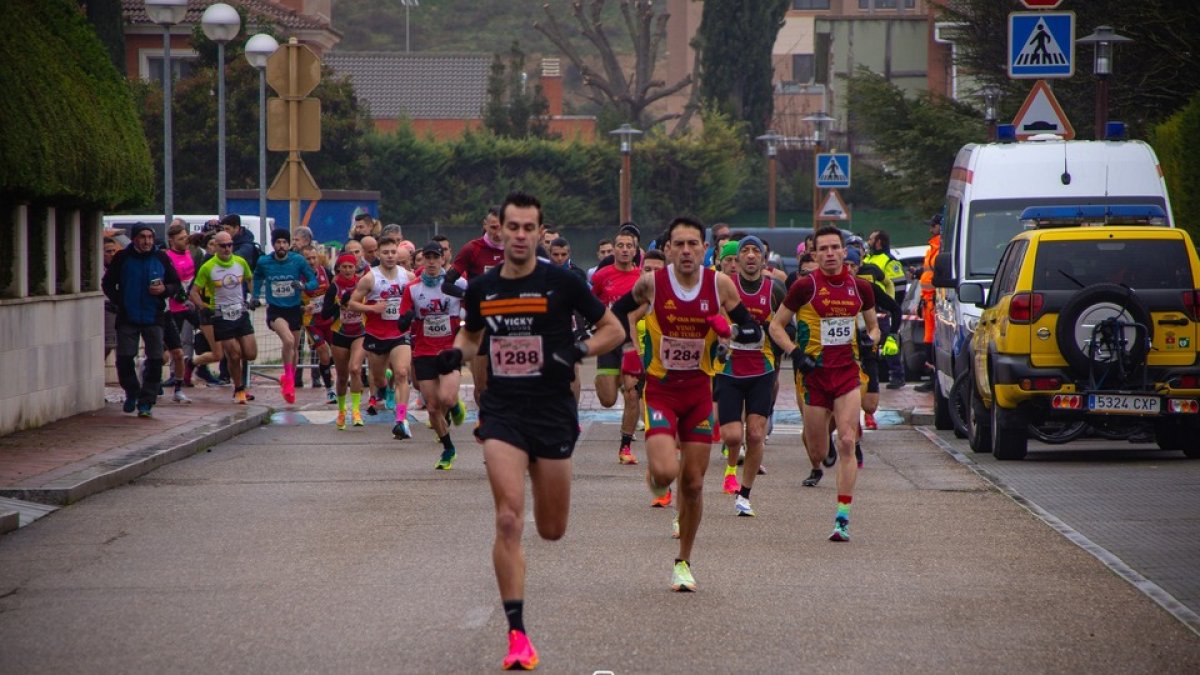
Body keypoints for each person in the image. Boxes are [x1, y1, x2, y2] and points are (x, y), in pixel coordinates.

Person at [436, 192, 623, 670]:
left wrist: (576, 352)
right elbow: (472, 333)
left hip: (553, 412)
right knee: (507, 519)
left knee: (552, 529)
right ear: (498, 231)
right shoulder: (482, 287)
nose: (518, 236)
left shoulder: (561, 282)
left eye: (527, 228)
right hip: (504, 411)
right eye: (510, 227)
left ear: (541, 233)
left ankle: (544, 501)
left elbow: (613, 330)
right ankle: (517, 633)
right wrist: (457, 355)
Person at [609, 216, 764, 591]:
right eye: (679, 244)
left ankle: (683, 562)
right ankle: (656, 477)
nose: (686, 251)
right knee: (665, 472)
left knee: (693, 485)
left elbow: (752, 328)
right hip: (662, 389)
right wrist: (629, 348)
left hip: (698, 392)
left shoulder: (720, 285)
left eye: (693, 243)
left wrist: (726, 332)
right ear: (669, 249)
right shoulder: (652, 283)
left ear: (704, 248)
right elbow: (616, 312)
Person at [768, 225, 880, 542]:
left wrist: (868, 340)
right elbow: (776, 327)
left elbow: (874, 329)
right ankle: (821, 449)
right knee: (817, 450)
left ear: (845, 252)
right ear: (814, 254)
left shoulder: (861, 288)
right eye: (824, 249)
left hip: (847, 372)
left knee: (847, 441)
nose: (830, 254)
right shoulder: (804, 287)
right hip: (814, 374)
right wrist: (795, 353)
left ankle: (842, 519)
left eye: (835, 248)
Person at [717, 236, 785, 517]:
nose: (749, 255)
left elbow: (784, 328)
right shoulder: (723, 288)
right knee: (732, 436)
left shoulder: (775, 289)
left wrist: (770, 329)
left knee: (755, 434)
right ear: (736, 260)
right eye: (744, 251)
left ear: (764, 258)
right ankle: (731, 468)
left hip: (762, 369)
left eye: (755, 251)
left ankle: (744, 495)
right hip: (730, 369)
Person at [400, 242, 468, 469]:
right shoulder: (412, 288)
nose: (430, 262)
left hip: (449, 350)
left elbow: (473, 309)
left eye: (435, 257)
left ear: (442, 260)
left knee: (447, 399)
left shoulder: (457, 283)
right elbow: (402, 319)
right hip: (424, 351)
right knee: (432, 407)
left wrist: (465, 296)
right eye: (426, 257)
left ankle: (455, 405)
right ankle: (448, 449)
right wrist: (406, 318)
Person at [102, 224, 182, 417]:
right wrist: (121, 301)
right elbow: (108, 283)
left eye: (150, 237)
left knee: (155, 359)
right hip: (128, 316)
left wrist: (164, 290)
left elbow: (175, 283)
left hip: (153, 315)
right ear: (134, 239)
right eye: (142, 237)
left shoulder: (161, 258)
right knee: (124, 358)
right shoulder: (122, 258)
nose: (147, 241)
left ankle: (147, 401)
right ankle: (132, 392)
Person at [348, 236, 414, 439]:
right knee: (377, 378)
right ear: (378, 254)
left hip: (400, 333)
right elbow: (352, 304)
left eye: (393, 252)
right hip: (376, 335)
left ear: (398, 253)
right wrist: (372, 308)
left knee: (402, 373)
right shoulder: (370, 278)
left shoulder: (408, 276)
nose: (390, 256)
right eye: (385, 253)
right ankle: (384, 388)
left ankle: (401, 420)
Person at [589, 226, 643, 464]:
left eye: (628, 246)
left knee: (633, 395)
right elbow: (591, 304)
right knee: (608, 400)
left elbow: (649, 304)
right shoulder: (602, 276)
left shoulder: (642, 278)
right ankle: (607, 381)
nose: (624, 250)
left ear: (635, 250)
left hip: (630, 343)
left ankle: (625, 448)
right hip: (608, 341)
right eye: (620, 246)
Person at [449, 206, 506, 413]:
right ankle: (487, 422)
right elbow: (448, 283)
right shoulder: (472, 249)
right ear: (485, 225)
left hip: (508, 323)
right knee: (481, 387)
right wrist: (470, 297)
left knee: (508, 384)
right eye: (493, 228)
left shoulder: (517, 248)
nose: (498, 233)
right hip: (481, 325)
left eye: (502, 228)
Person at [191, 230, 258, 404]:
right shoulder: (208, 267)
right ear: (216, 247)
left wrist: (253, 296)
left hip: (240, 312)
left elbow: (250, 279)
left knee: (250, 354)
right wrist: (203, 307)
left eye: (230, 245)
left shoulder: (240, 262)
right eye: (223, 246)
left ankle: (237, 379)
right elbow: (193, 292)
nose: (227, 249)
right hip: (221, 315)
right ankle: (239, 389)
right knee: (233, 355)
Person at [251, 229, 317, 404]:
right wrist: (255, 296)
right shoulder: (264, 261)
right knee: (288, 341)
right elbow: (257, 277)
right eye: (278, 242)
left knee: (294, 348)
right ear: (273, 244)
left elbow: (313, 281)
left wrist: (302, 286)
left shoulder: (298, 261)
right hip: (276, 310)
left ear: (289, 244)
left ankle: (289, 382)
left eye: (284, 242)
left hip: (294, 309)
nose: (281, 245)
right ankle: (288, 379)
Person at [321, 253, 368, 429]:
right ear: (338, 268)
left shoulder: (362, 284)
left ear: (356, 268)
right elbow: (325, 314)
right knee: (342, 377)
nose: (348, 270)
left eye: (351, 266)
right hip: (339, 334)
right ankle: (341, 411)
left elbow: (370, 304)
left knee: (355, 369)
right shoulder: (333, 287)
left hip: (360, 333)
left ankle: (356, 410)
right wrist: (339, 306)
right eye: (344, 267)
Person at [162, 221, 203, 402]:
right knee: (169, 352)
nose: (185, 241)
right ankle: (149, 369)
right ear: (171, 241)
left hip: (189, 305)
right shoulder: (166, 257)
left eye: (186, 237)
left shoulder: (190, 252)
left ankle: (196, 368)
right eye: (181, 239)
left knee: (209, 330)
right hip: (173, 308)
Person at [301, 245, 337, 403]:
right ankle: (329, 390)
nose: (311, 261)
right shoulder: (298, 277)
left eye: (313, 258)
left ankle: (329, 373)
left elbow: (336, 291)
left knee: (337, 353)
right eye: (307, 259)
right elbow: (291, 300)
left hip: (328, 320)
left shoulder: (326, 273)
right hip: (312, 322)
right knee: (323, 352)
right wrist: (302, 307)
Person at [914, 215, 942, 393]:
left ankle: (934, 380)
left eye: (933, 226)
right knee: (929, 340)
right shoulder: (933, 247)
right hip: (928, 301)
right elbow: (929, 273)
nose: (930, 229)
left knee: (933, 341)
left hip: (935, 302)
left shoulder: (940, 247)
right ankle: (932, 379)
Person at [103, 237, 122, 360]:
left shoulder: (120, 267)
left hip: (120, 309)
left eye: (114, 251)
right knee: (108, 345)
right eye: (108, 251)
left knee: (121, 347)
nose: (112, 254)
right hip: (106, 309)